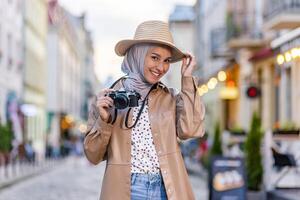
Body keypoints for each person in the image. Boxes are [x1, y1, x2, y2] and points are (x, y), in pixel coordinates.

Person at [84, 20, 205, 200]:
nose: (161, 67)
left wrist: (187, 80)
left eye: (167, 61)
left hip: (167, 187)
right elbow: (93, 156)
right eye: (154, 57)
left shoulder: (170, 97)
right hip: (127, 190)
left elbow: (190, 130)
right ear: (138, 55)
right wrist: (104, 121)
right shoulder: (109, 98)